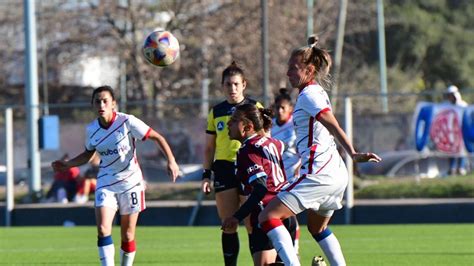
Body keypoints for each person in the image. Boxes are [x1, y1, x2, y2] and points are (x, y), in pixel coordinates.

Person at [258, 36, 381, 266]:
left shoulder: (310, 95)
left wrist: (352, 152)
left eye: (293, 68)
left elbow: (331, 122)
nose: (288, 73)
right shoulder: (314, 91)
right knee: (317, 227)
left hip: (319, 174)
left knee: (267, 216)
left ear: (310, 69)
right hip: (336, 174)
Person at [51, 85, 180, 266]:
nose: (101, 104)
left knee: (127, 235)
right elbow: (89, 154)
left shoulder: (128, 122)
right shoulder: (91, 130)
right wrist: (68, 164)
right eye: (97, 101)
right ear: (93, 105)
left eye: (105, 101)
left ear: (113, 104)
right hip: (106, 182)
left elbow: (158, 137)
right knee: (103, 229)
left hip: (131, 183)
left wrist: (171, 160)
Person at [201, 61, 263, 266]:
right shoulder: (216, 111)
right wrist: (206, 174)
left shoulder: (255, 108)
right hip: (224, 169)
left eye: (236, 84)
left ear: (244, 84)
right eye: (228, 84)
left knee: (251, 223)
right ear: (222, 86)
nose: (232, 88)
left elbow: (265, 140)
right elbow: (210, 147)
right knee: (228, 224)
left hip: (249, 168)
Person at [222, 104, 298, 266]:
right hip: (287, 212)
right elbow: (280, 145)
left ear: (248, 127)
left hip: (268, 214)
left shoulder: (247, 151)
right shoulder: (273, 142)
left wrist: (237, 216)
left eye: (234, 120)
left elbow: (260, 189)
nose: (229, 123)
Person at [270, 88, 301, 254]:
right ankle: (283, 250)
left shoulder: (295, 124)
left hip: (292, 175)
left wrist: (299, 166)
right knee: (278, 214)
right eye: (278, 108)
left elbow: (304, 148)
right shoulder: (271, 126)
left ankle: (294, 248)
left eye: (283, 108)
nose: (280, 111)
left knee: (290, 213)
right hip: (276, 175)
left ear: (290, 108)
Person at [444, 85, 468, 175]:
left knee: (462, 150)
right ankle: (452, 168)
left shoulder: (463, 105)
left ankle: (461, 168)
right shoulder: (446, 106)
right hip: (451, 132)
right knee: (451, 151)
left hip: (461, 131)